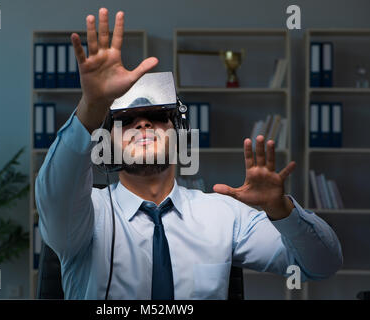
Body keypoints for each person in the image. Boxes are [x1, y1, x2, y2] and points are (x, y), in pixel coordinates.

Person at [35, 8, 343, 300]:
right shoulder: (85, 214)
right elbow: (56, 190)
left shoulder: (224, 214)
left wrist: (281, 210)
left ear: (179, 134)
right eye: (126, 121)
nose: (142, 123)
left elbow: (321, 264)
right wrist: (91, 107)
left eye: (157, 117)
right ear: (107, 143)